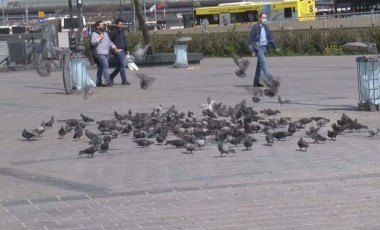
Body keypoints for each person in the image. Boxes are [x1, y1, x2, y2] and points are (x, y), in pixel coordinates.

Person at [249, 13, 278, 87]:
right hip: (258, 48)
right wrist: (252, 51)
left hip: (265, 47)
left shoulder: (266, 27)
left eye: (265, 18)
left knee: (259, 66)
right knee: (264, 65)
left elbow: (270, 38)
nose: (264, 19)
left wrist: (275, 46)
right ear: (259, 18)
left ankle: (256, 82)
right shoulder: (255, 27)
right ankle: (271, 81)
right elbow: (252, 40)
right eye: (263, 18)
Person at [91, 20, 119, 87]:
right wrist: (99, 38)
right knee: (105, 66)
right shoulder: (95, 33)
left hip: (106, 53)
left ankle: (98, 82)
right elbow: (92, 42)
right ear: (97, 26)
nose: (103, 26)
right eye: (101, 25)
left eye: (103, 25)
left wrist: (114, 47)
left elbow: (109, 42)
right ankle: (108, 81)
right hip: (100, 53)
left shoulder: (105, 33)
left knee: (101, 67)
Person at [109, 19, 130, 85]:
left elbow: (124, 41)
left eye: (122, 24)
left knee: (119, 66)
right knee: (123, 65)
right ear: (116, 24)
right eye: (120, 24)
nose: (121, 25)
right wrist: (114, 49)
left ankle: (110, 77)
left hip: (123, 50)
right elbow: (109, 41)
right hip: (118, 50)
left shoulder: (122, 31)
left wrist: (127, 51)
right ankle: (124, 80)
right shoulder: (113, 32)